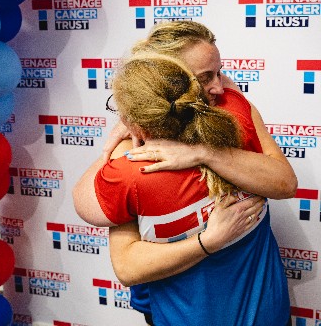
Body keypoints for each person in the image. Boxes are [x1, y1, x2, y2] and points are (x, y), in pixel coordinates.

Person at [72, 21, 297, 325]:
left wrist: (204, 152)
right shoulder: (136, 161)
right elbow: (127, 266)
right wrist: (208, 241)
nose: (219, 86)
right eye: (206, 77)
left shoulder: (234, 111)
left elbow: (285, 183)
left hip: (260, 311)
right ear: (170, 80)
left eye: (219, 72)